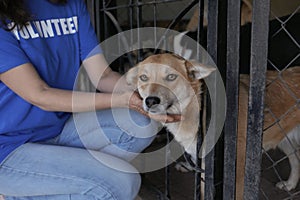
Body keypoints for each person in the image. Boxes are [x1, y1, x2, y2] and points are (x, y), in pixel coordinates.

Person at [0, 0, 181, 199]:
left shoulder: (70, 4)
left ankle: (38, 190)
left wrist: (149, 97)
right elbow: (40, 94)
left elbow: (103, 76)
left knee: (141, 121)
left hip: (59, 130)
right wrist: (122, 100)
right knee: (122, 183)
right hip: (8, 148)